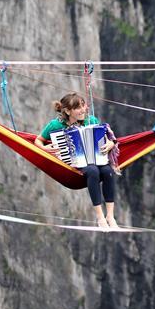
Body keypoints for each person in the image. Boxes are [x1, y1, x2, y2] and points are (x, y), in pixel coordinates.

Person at [34, 92, 120, 229]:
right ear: (68, 111)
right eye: (78, 107)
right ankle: (100, 217)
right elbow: (38, 140)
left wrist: (111, 143)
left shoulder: (91, 121)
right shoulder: (55, 125)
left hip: (95, 159)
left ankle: (110, 215)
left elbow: (106, 138)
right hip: (72, 164)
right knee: (92, 171)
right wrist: (44, 148)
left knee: (108, 171)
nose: (83, 110)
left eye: (83, 106)